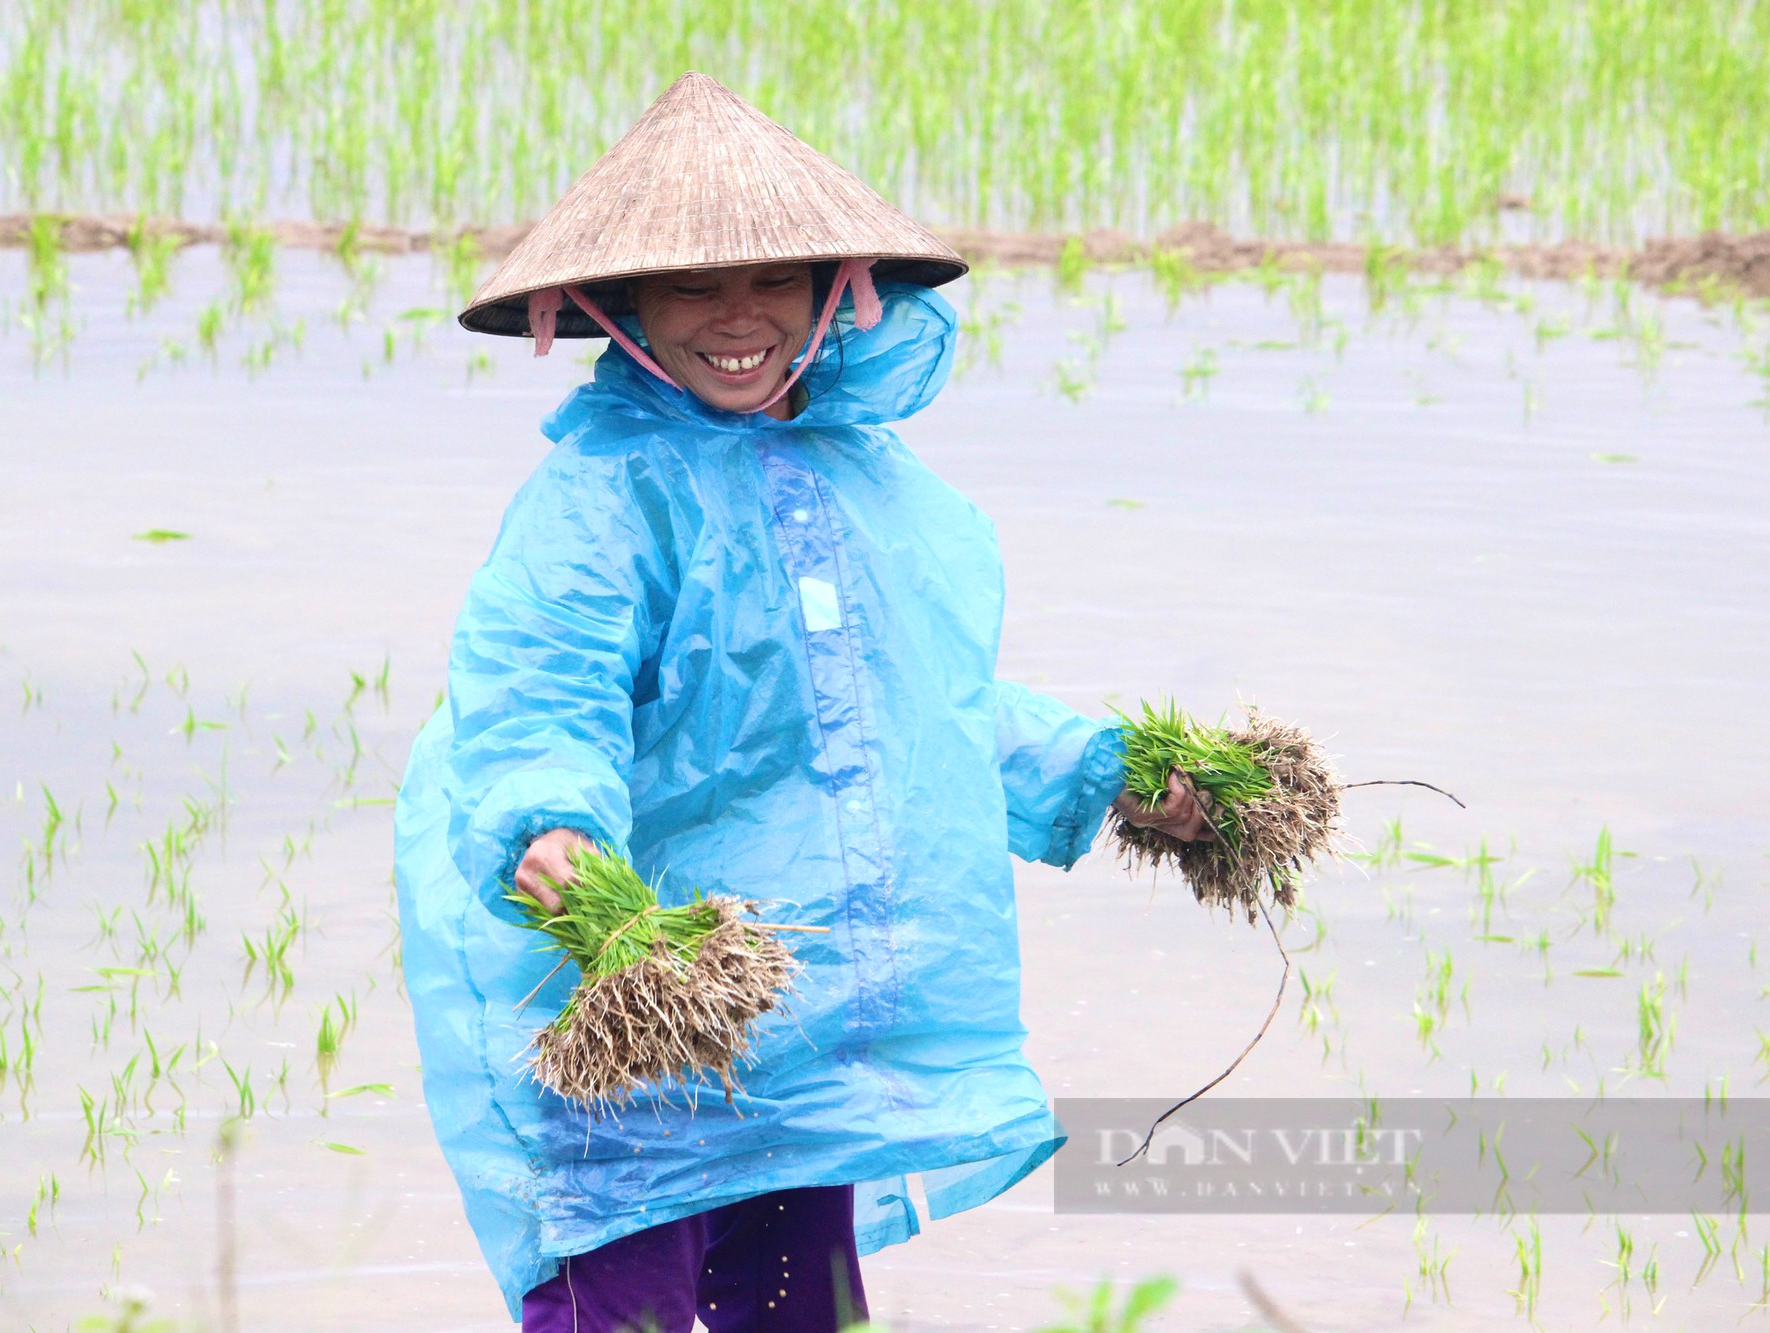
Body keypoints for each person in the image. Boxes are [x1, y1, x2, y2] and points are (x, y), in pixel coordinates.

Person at [394, 73, 1208, 1333]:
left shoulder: (866, 479)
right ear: (618, 309)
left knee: (803, 1320)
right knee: (624, 1315)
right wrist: (552, 835)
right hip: (640, 1007)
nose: (738, 318)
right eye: (691, 287)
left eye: (774, 280)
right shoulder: (600, 502)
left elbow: (918, 709)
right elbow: (537, 699)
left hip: (798, 1018)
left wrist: (1108, 770)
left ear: (837, 290)